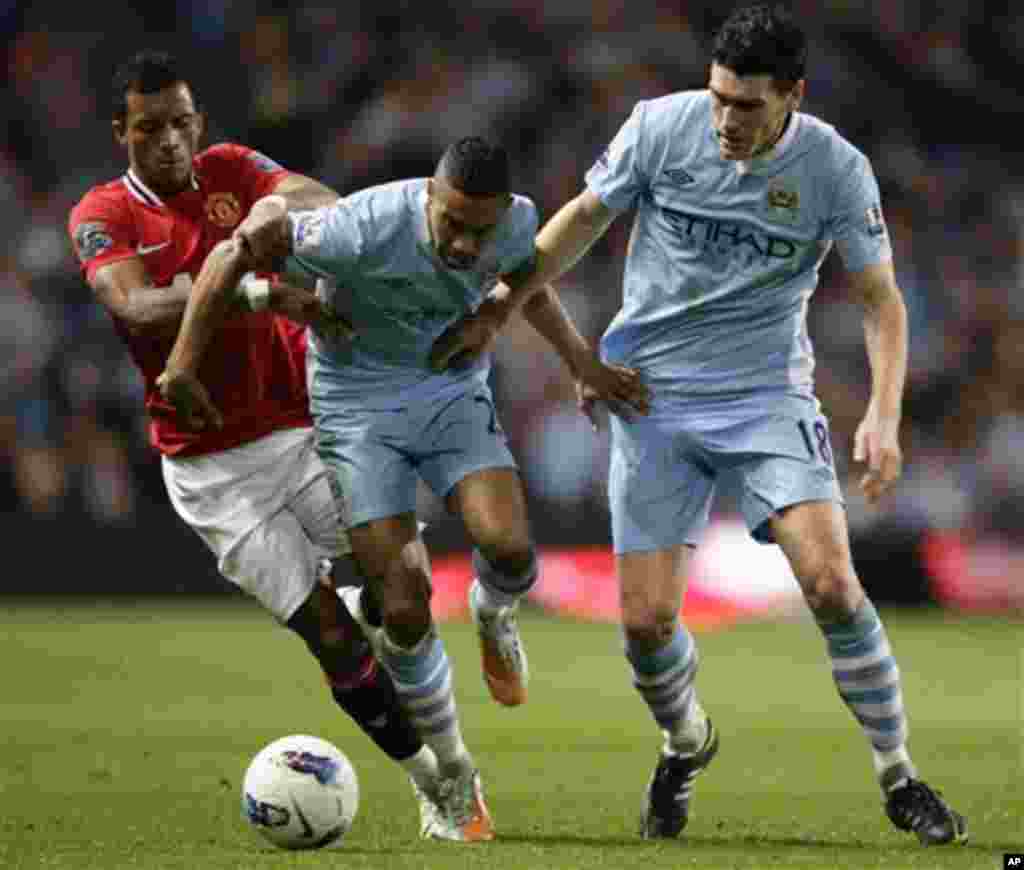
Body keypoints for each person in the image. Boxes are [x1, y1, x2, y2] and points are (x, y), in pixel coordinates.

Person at [427, 4, 968, 848]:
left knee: (830, 583)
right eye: (717, 97)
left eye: (747, 106)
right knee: (644, 626)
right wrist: (499, 309)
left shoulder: (836, 170)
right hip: (653, 399)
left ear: (792, 95)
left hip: (766, 400)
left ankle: (899, 774)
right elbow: (579, 221)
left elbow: (878, 300)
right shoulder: (660, 128)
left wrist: (886, 418)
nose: (725, 120)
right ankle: (686, 744)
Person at [156, 136, 650, 842]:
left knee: (510, 553)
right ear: (428, 198)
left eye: (477, 230)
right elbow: (229, 260)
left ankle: (493, 617)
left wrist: (566, 355)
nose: (460, 242)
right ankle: (452, 776)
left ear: (503, 213)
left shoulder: (516, 222)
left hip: (448, 388)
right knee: (406, 605)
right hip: (356, 409)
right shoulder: (355, 227)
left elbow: (528, 280)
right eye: (448, 222)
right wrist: (203, 348)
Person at [67, 50, 460, 841]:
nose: (171, 141)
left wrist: (279, 222)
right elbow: (139, 310)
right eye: (151, 129)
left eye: (182, 124)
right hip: (213, 470)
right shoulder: (101, 214)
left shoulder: (233, 169)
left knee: (410, 594)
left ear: (199, 123)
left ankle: (377, 617)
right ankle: (438, 782)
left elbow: (320, 202)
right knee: (331, 637)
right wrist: (248, 280)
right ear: (122, 133)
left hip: (303, 427)